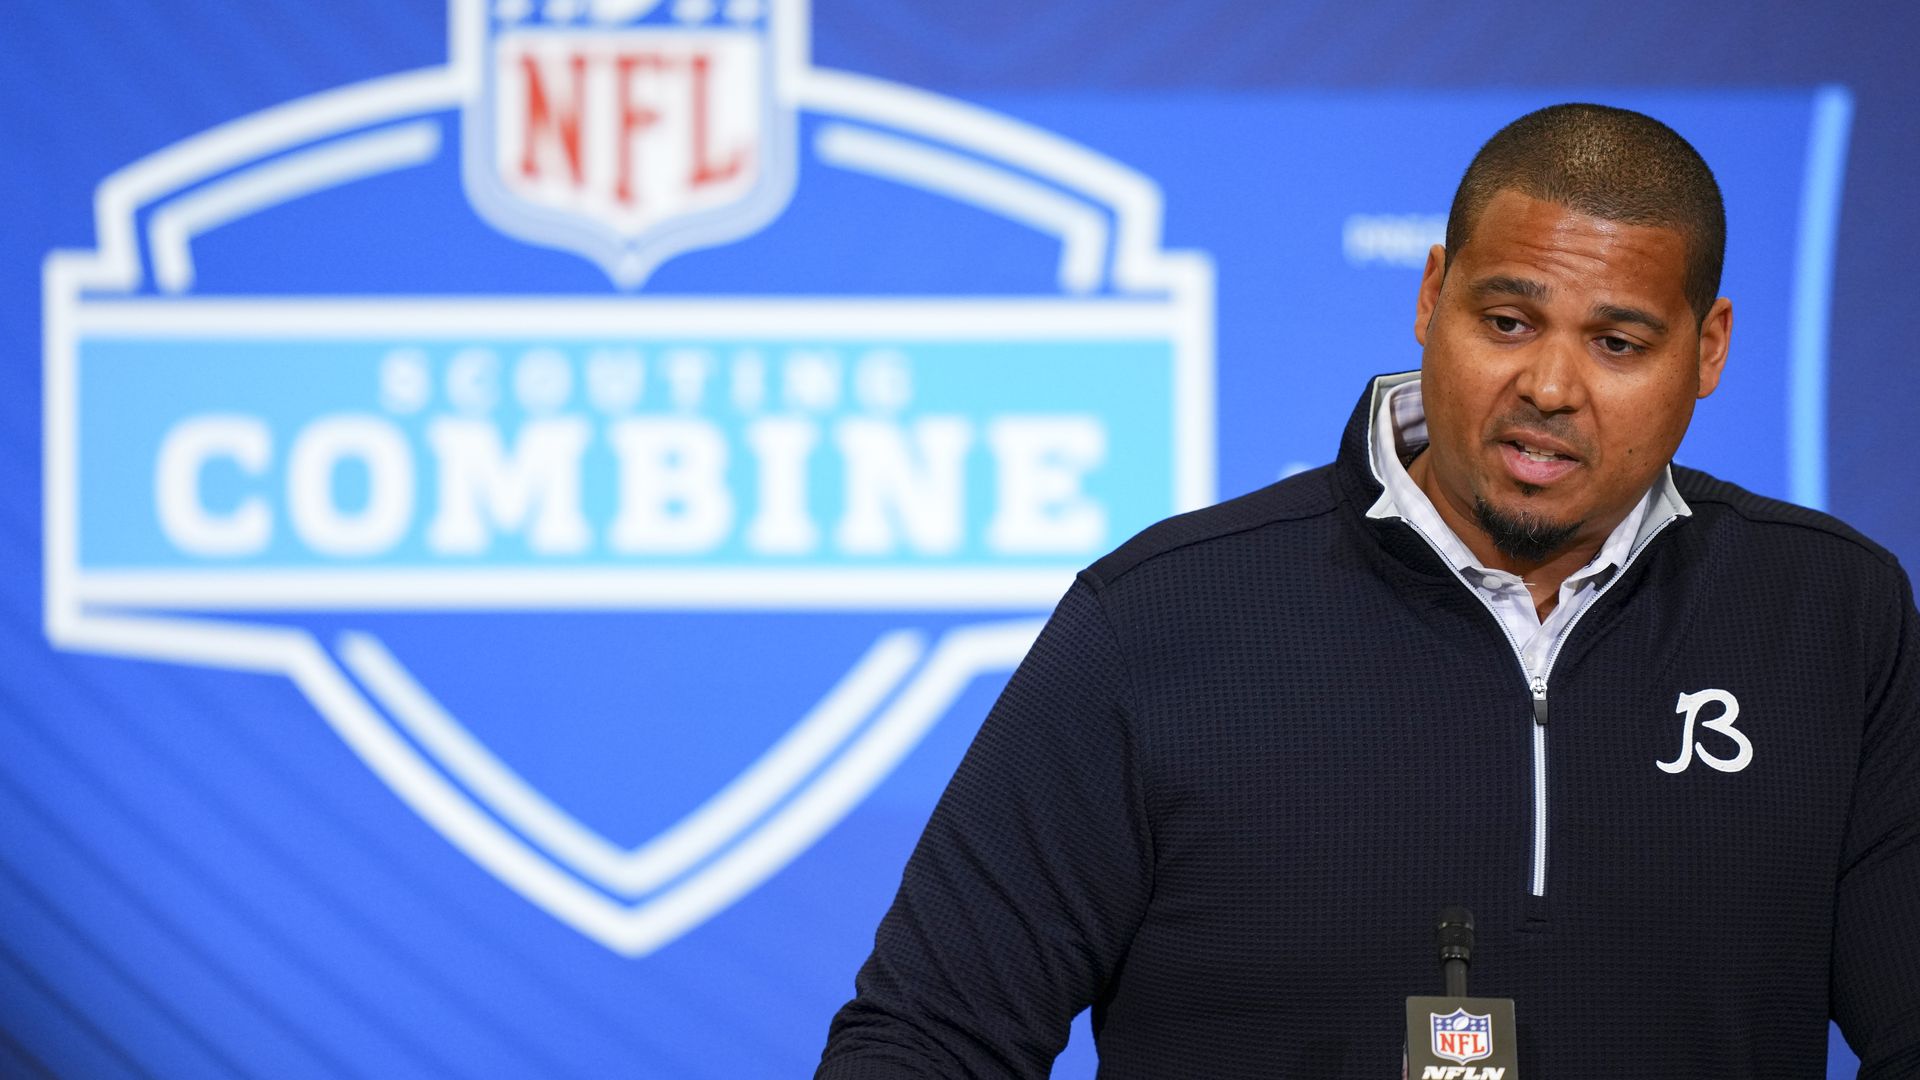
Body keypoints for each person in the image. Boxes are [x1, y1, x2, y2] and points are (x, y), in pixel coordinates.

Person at [816, 104, 1920, 1079]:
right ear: (1432, 294)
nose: (1549, 386)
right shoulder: (1157, 619)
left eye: (1619, 342)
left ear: (1709, 348)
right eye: (1507, 321)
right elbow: (929, 1038)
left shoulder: (1834, 619)